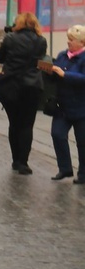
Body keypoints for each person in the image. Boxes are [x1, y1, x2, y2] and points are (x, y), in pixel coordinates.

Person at [0, 12, 47, 175]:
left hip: (11, 85)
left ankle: (15, 160)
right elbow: (40, 61)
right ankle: (24, 162)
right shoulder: (41, 41)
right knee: (27, 125)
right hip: (32, 86)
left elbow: (0, 58)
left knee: (14, 123)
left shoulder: (10, 38)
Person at [45, 25, 85, 183]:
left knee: (82, 143)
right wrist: (50, 72)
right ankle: (65, 168)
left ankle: (83, 174)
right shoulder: (62, 55)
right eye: (68, 39)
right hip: (62, 106)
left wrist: (65, 75)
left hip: (81, 107)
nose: (68, 42)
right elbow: (56, 77)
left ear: (82, 42)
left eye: (71, 40)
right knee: (57, 134)